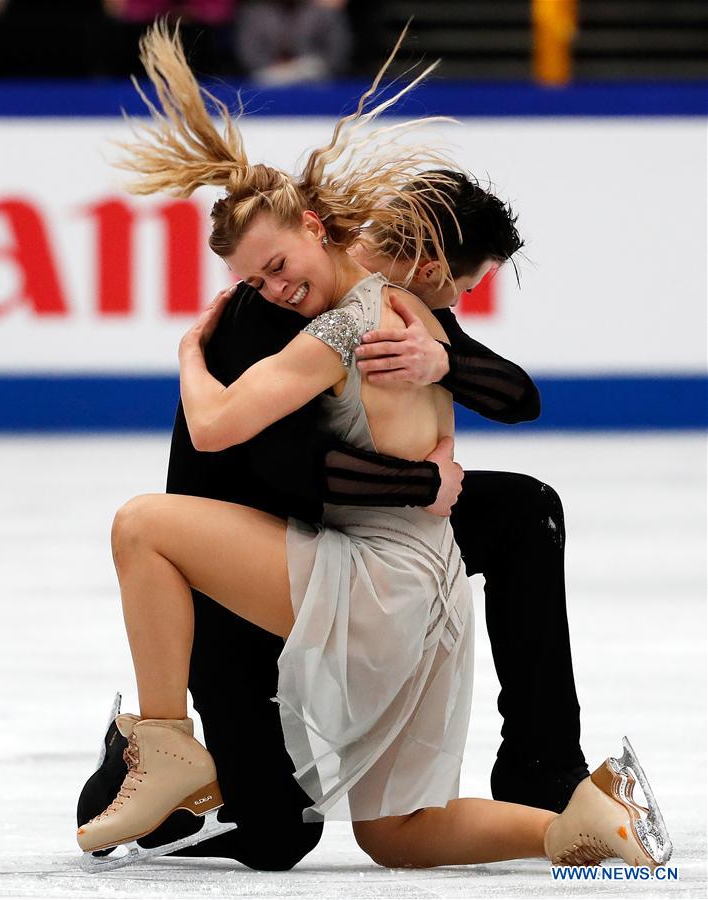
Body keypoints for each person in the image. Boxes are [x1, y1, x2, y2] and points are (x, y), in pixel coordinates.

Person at [76, 21, 671, 873]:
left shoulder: (371, 318)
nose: (273, 286)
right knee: (372, 836)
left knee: (522, 509)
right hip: (261, 562)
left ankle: (541, 768)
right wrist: (416, 484)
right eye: (464, 283)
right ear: (427, 263)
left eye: (276, 269)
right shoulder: (308, 314)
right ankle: (572, 826)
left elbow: (514, 395)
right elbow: (272, 470)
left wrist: (441, 360)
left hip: (353, 572)